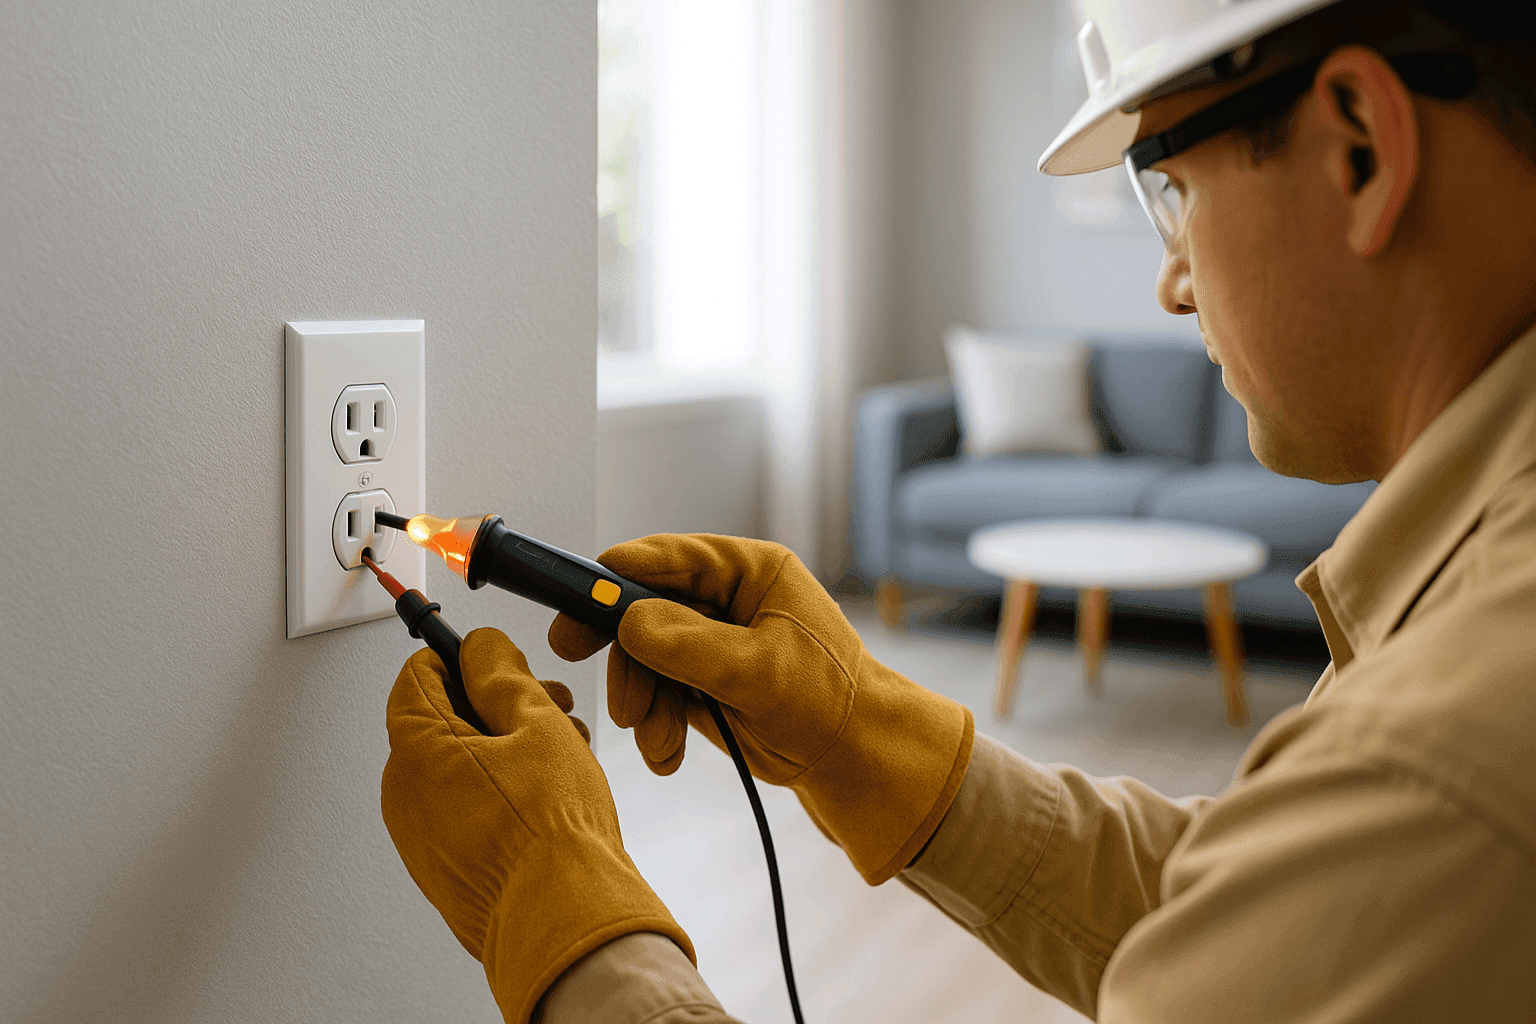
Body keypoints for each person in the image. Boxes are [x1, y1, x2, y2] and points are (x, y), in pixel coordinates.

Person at [378, 0, 1536, 1020]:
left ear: (1360, 150)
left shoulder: (1451, 753)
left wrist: (555, 899)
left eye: (1173, 185)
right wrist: (866, 731)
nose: (1172, 279)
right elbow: (1266, 930)